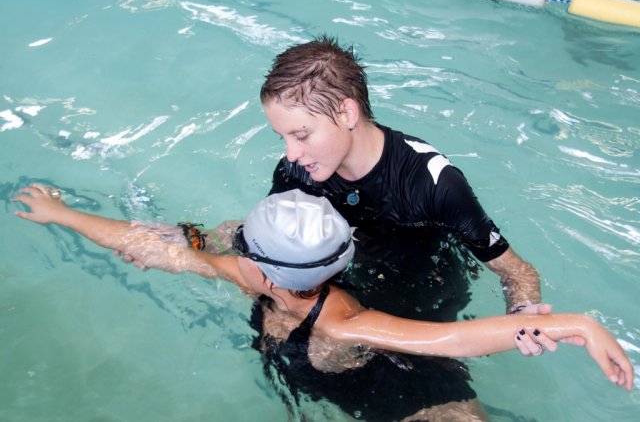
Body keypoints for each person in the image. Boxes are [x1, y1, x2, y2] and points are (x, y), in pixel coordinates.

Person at [12, 184, 633, 421]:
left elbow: (449, 341)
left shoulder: (342, 321)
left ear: (263, 266)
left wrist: (579, 324)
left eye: (241, 242)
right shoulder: (256, 280)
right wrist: (62, 215)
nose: (229, 243)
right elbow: (158, 248)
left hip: (424, 407)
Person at [259, 35, 569, 352]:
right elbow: (265, 242)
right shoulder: (297, 170)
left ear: (347, 113)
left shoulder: (432, 183)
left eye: (301, 135)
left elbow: (516, 271)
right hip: (339, 286)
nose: (291, 153)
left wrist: (521, 315)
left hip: (422, 292)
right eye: (283, 137)